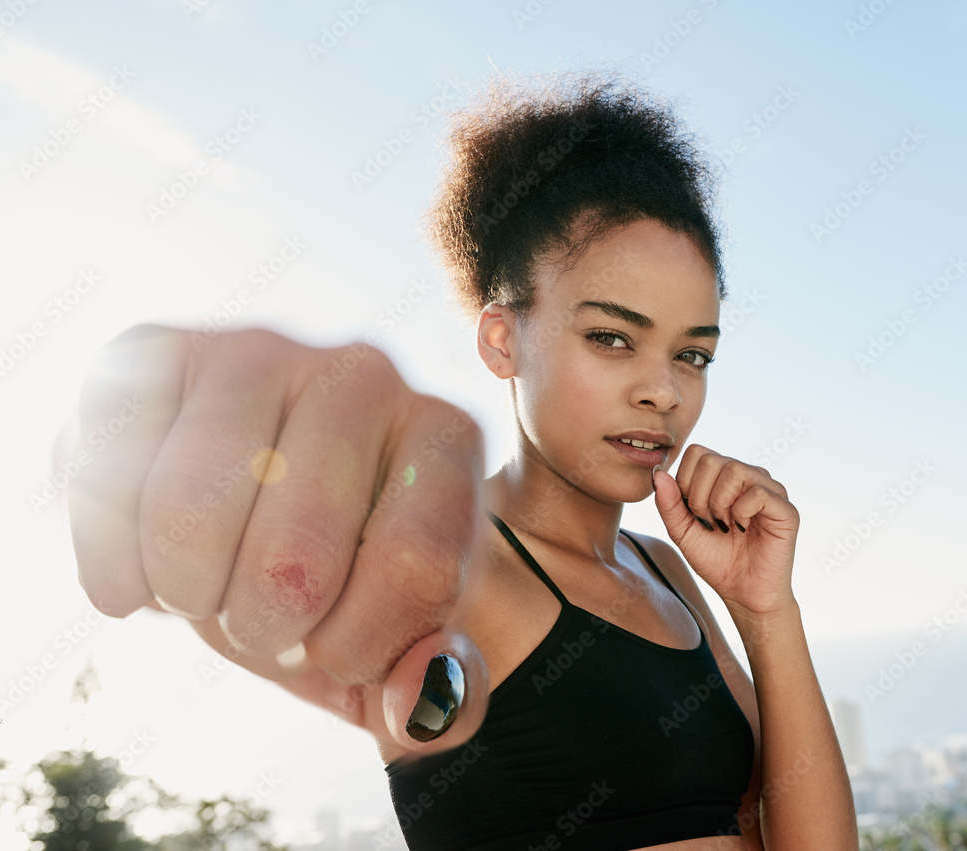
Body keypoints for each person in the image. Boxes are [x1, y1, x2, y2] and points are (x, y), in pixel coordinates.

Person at [69, 69, 858, 849]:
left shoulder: (669, 571)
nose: (663, 391)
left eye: (693, 355)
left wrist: (766, 610)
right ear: (501, 338)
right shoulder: (440, 559)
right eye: (611, 337)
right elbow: (210, 513)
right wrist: (152, 413)